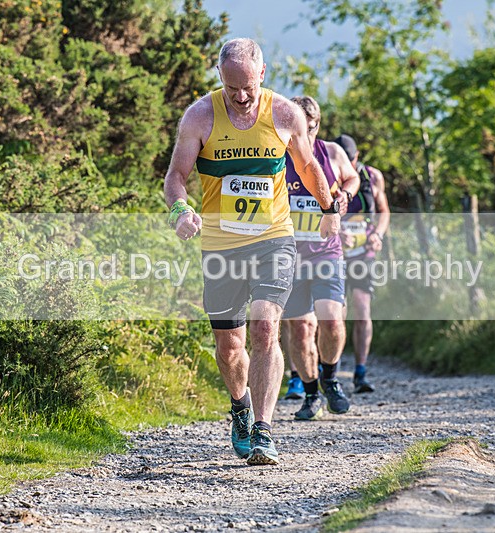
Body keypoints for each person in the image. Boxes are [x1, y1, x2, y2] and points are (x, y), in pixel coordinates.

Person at [163, 38, 341, 465]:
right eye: (231, 88)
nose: (241, 97)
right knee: (229, 346)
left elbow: (308, 166)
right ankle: (240, 408)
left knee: (265, 327)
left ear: (263, 74)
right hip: (222, 244)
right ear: (219, 78)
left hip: (273, 239)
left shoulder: (284, 114)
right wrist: (181, 212)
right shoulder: (200, 116)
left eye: (248, 87)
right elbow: (175, 177)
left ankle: (263, 430)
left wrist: (329, 208)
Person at [281, 96, 360, 421]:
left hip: (326, 250)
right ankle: (311, 392)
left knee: (331, 321)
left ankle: (330, 378)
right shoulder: (277, 153)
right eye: (300, 126)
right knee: (300, 328)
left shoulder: (331, 152)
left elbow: (352, 177)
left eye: (311, 127)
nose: (306, 133)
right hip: (287, 255)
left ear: (317, 124)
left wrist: (345, 194)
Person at [334, 134, 391, 393]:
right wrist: (335, 232)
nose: (347, 164)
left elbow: (384, 211)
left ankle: (360, 371)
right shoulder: (328, 173)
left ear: (357, 157)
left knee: (362, 308)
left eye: (351, 159)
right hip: (334, 252)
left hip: (364, 251)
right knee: (337, 314)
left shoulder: (371, 176)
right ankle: (330, 372)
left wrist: (378, 234)